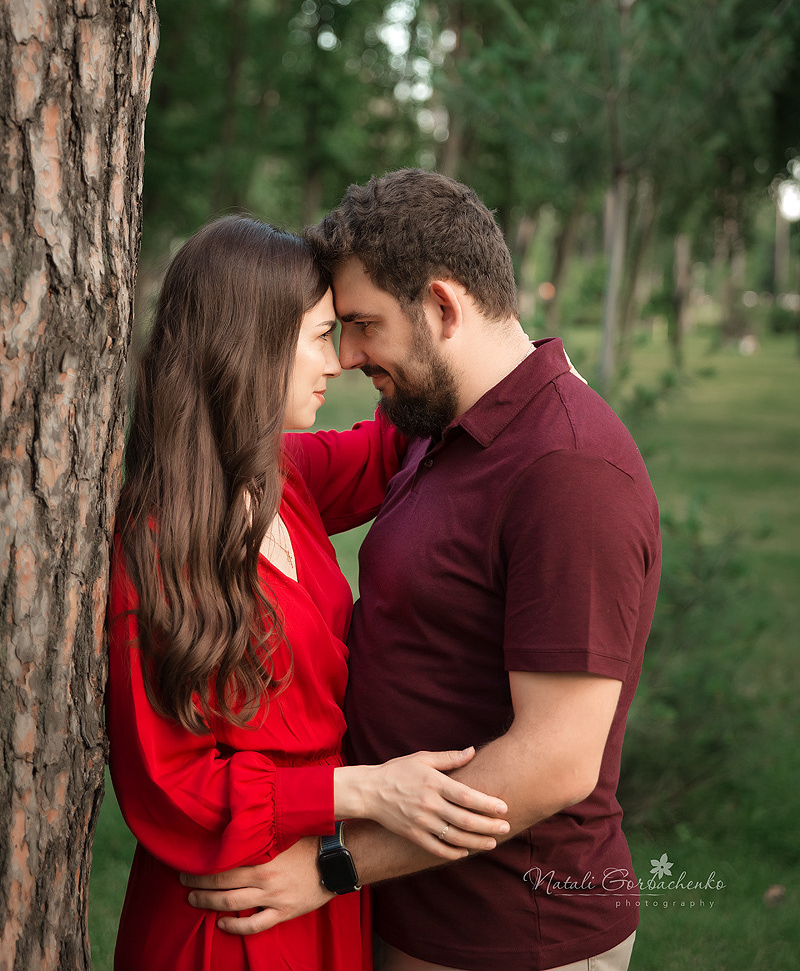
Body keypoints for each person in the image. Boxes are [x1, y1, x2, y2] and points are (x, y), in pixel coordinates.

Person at [183, 174, 661, 971]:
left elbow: (556, 759)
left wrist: (335, 864)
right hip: (411, 910)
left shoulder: (567, 470)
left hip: (510, 930)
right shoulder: (439, 429)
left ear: (442, 307)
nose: (351, 355)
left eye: (364, 326)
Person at [106, 215, 511, 971]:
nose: (343, 361)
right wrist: (361, 793)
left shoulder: (282, 478)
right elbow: (169, 784)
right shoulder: (157, 541)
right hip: (231, 909)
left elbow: (406, 435)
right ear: (252, 345)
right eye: (324, 335)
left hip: (319, 883)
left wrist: (532, 385)